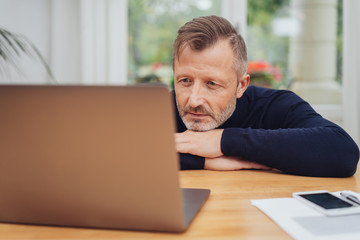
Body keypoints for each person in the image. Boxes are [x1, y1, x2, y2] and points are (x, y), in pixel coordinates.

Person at [172, 15, 359, 177]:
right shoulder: (159, 108)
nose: (194, 100)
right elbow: (141, 153)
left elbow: (342, 152)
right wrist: (203, 162)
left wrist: (223, 140)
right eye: (185, 81)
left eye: (212, 84)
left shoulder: (275, 105)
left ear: (241, 85)